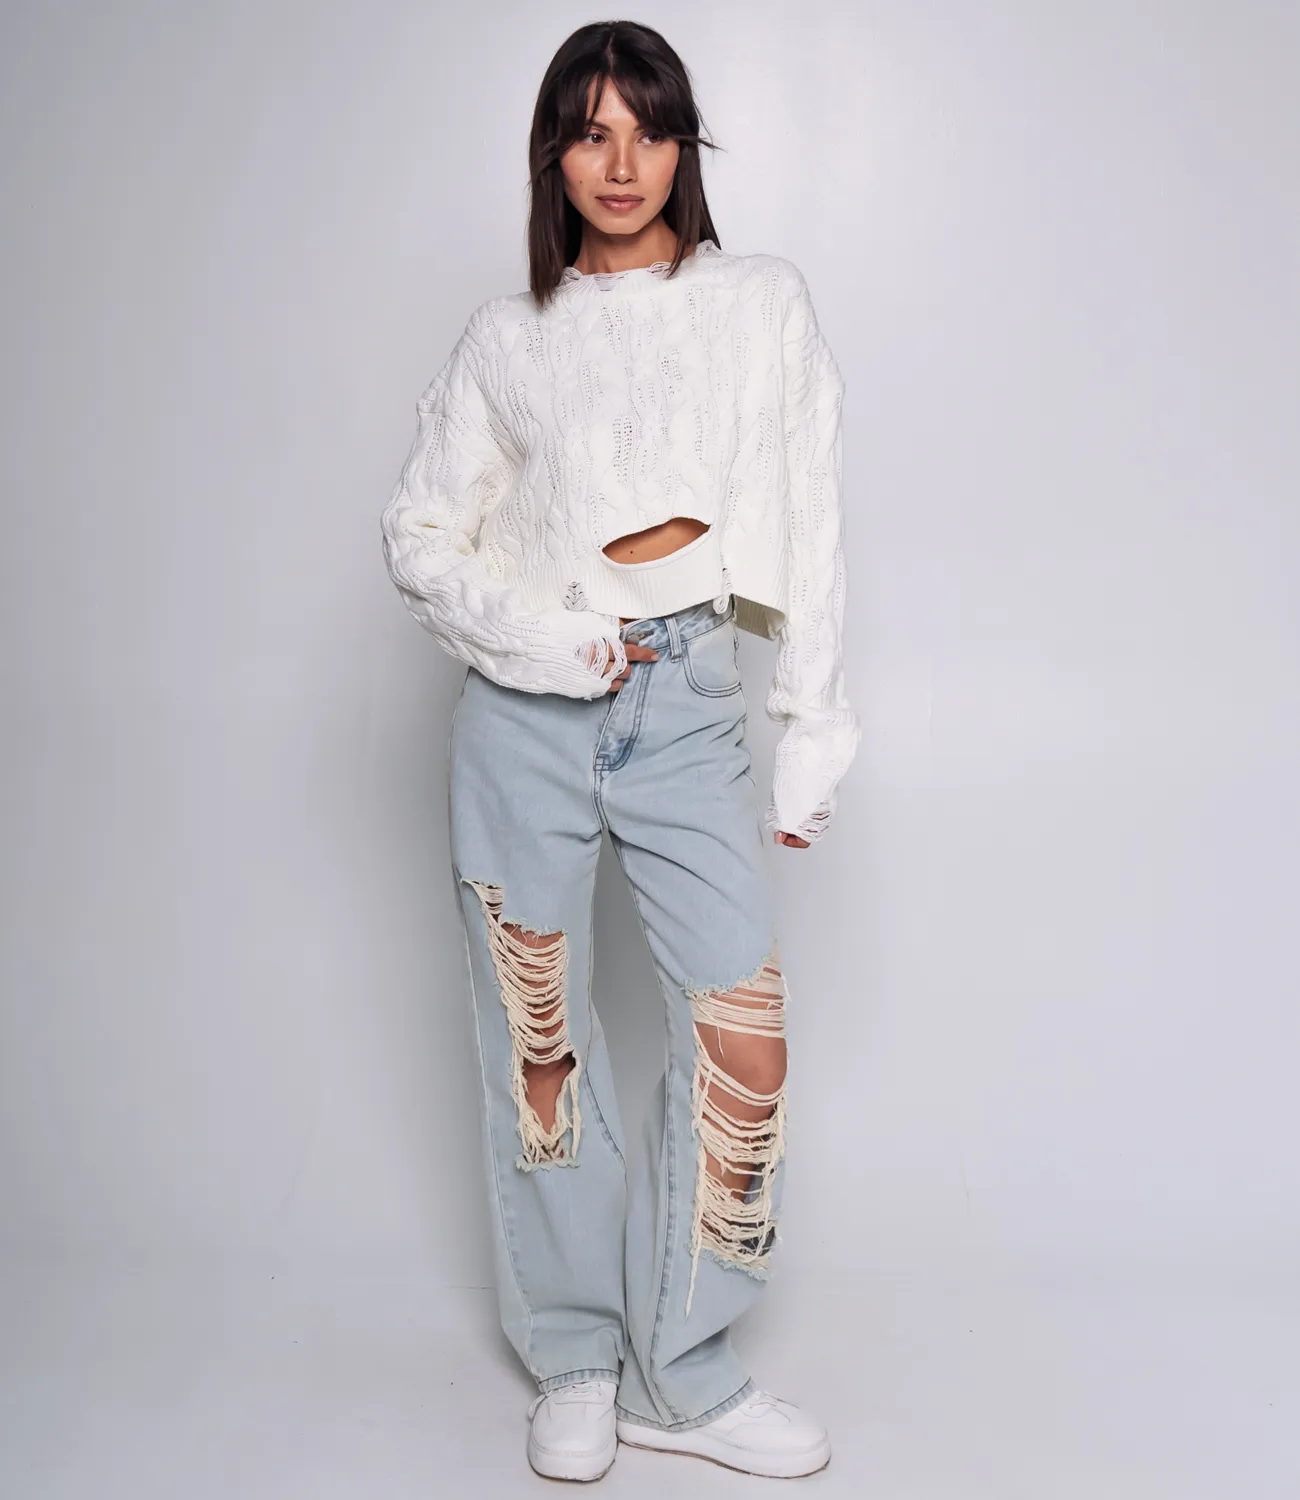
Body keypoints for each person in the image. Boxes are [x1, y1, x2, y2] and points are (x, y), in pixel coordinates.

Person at [379, 20, 859, 1484]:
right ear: (554, 157)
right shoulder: (505, 339)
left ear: (684, 146)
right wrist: (544, 644)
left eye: (647, 129)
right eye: (590, 132)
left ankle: (687, 1373)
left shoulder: (758, 304)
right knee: (544, 1046)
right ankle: (579, 1357)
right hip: (525, 714)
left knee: (741, 1039)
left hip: (691, 701)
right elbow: (420, 533)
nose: (622, 162)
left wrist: (812, 723)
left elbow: (810, 512)